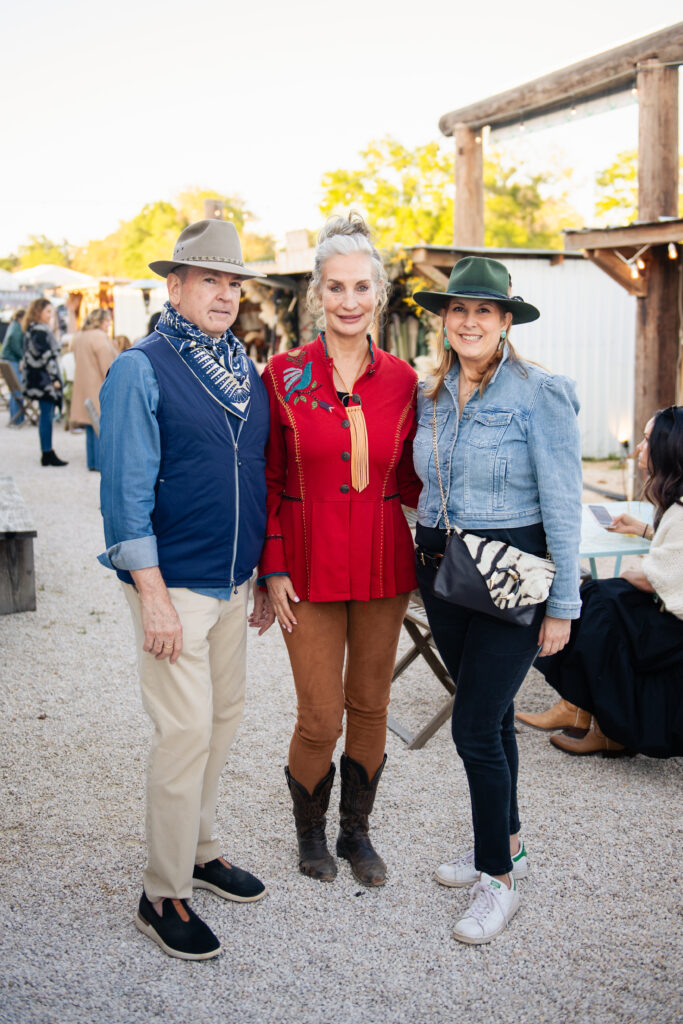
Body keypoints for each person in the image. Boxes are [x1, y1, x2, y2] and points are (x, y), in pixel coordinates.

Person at [98, 219, 273, 961]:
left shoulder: (243, 366)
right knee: (183, 734)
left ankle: (200, 850)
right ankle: (160, 890)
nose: (225, 294)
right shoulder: (143, 366)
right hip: (171, 586)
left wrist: (261, 570)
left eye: (234, 282)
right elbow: (122, 494)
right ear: (175, 286)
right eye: (210, 280)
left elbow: (251, 473)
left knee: (224, 720)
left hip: (233, 583)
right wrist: (154, 594)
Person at [411, 257, 582, 945]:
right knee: (493, 719)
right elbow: (423, 489)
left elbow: (563, 505)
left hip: (512, 577)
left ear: (506, 320)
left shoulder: (539, 393)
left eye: (484, 310)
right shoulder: (430, 392)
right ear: (444, 319)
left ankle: (496, 882)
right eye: (457, 309)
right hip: (443, 575)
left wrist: (563, 606)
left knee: (473, 727)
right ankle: (502, 842)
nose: (469, 320)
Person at [258, 213, 421, 887]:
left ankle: (356, 833)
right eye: (335, 288)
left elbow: (417, 477)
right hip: (306, 562)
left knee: (372, 705)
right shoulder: (282, 374)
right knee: (320, 716)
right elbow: (266, 474)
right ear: (316, 295)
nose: (348, 301)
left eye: (360, 287)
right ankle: (309, 833)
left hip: (384, 561)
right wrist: (270, 566)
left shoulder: (406, 382)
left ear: (377, 294)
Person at [536, 406, 683, 757]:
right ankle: (585, 712)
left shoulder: (679, 510)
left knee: (599, 602)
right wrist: (644, 529)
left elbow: (653, 579)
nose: (640, 448)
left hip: (675, 631)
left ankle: (584, 710)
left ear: (667, 447)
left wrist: (624, 577)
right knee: (601, 599)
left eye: (648, 440)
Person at [69, 308, 117, 470]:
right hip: (98, 385)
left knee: (90, 424)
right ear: (103, 322)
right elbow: (108, 366)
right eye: (108, 322)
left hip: (83, 384)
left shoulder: (80, 337)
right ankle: (99, 462)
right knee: (100, 425)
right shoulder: (100, 338)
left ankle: (91, 461)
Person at [22, 299, 68, 466]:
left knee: (46, 415)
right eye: (48, 312)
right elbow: (45, 357)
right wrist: (55, 379)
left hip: (38, 379)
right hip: (44, 381)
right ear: (38, 312)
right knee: (46, 416)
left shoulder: (33, 329)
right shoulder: (40, 331)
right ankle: (47, 452)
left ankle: (47, 451)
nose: (51, 316)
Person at [1, 308, 26, 425]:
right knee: (17, 388)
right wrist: (22, 358)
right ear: (21, 318)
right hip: (13, 360)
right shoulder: (16, 328)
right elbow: (16, 346)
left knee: (14, 389)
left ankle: (16, 416)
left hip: (9, 359)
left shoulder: (14, 326)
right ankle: (17, 417)